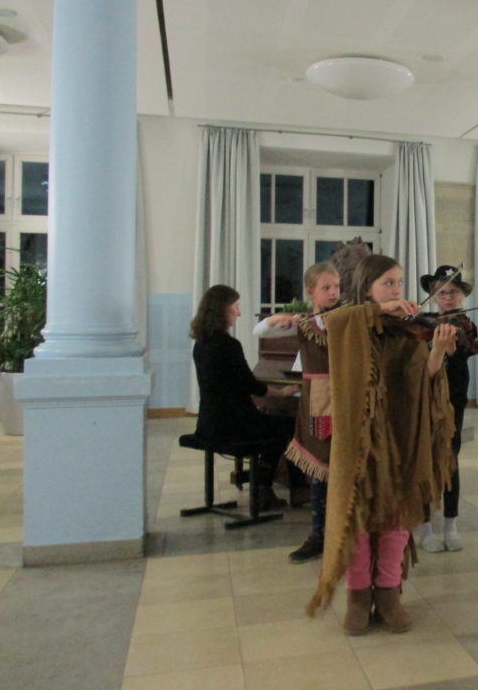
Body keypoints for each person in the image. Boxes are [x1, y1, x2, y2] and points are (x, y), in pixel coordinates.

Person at [307, 255, 456, 636]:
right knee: (359, 516)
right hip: (359, 439)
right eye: (387, 283)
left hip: (399, 433)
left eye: (399, 283)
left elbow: (420, 380)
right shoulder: (349, 323)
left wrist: (437, 351)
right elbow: (329, 322)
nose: (396, 291)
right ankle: (358, 596)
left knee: (394, 515)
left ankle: (389, 593)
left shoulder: (407, 331)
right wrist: (374, 311)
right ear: (367, 288)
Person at [252, 262, 342, 564]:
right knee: (320, 468)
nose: (333, 293)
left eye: (336, 287)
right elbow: (260, 330)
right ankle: (318, 533)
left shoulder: (345, 319)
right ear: (310, 291)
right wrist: (278, 318)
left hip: (348, 401)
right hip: (319, 405)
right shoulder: (304, 322)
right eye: (326, 287)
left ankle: (344, 533)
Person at [190, 285, 295, 510]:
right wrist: (283, 392)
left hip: (209, 423)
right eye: (235, 307)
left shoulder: (201, 344)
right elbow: (252, 386)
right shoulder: (228, 346)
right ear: (220, 311)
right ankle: (265, 488)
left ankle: (265, 483)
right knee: (288, 426)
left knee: (275, 422)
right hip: (233, 426)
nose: (238, 313)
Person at [415, 265, 478, 553]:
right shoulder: (422, 322)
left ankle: (451, 524)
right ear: (433, 295)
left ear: (460, 295)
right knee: (425, 456)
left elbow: (470, 348)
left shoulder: (465, 324)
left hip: (454, 392)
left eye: (452, 292)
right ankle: (425, 525)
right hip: (425, 392)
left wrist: (452, 348)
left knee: (450, 455)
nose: (447, 297)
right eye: (442, 292)